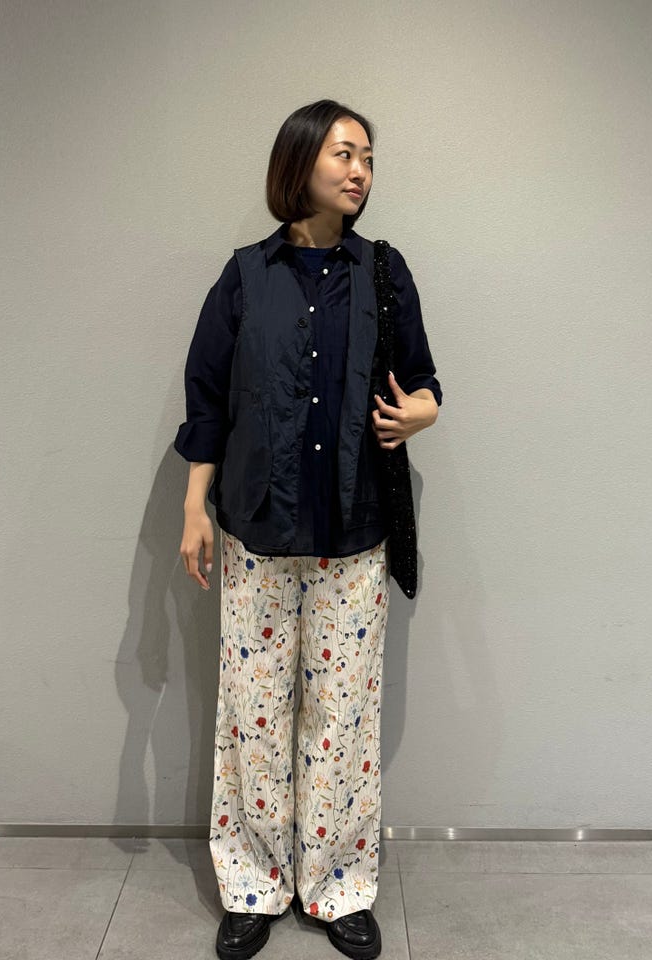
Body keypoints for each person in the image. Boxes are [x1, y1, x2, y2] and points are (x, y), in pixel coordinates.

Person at [175, 99, 442, 960]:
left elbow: (425, 381)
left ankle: (338, 886)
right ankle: (253, 884)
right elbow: (207, 399)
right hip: (256, 531)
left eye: (368, 157)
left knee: (342, 718)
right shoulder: (244, 277)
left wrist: (423, 412)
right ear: (299, 162)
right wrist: (194, 507)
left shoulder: (384, 273)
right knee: (254, 715)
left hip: (354, 534)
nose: (361, 170)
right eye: (344, 153)